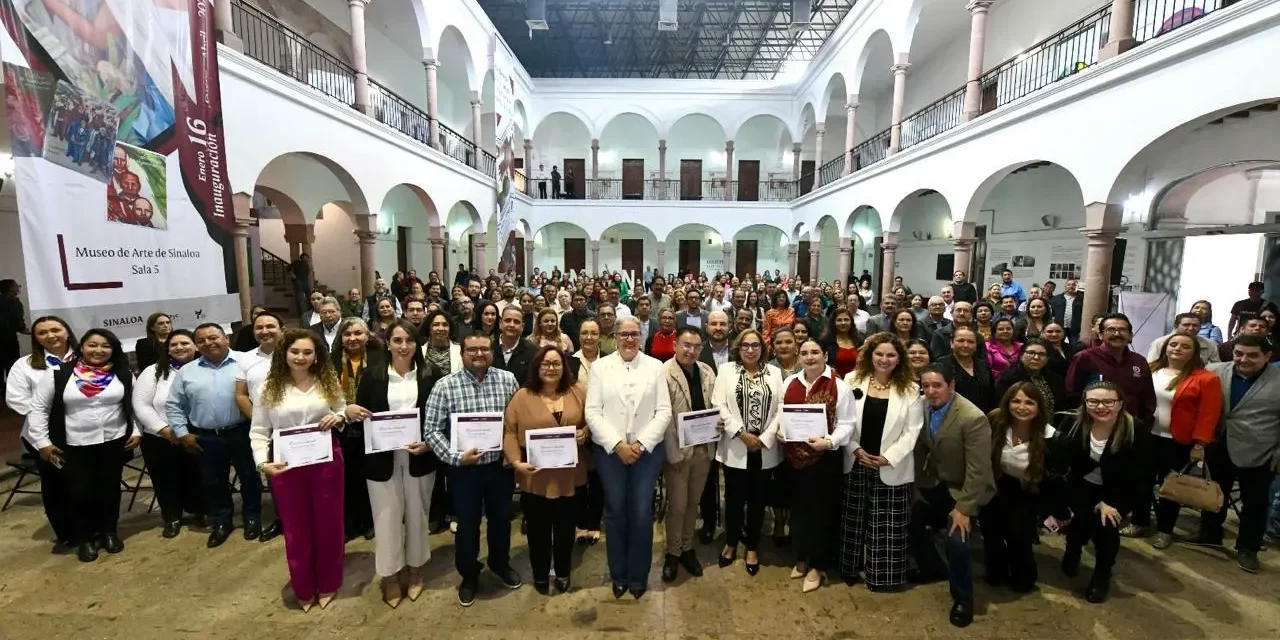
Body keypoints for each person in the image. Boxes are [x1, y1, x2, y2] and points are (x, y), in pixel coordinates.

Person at [423, 332, 523, 606]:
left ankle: (500, 564)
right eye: (472, 350)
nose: (479, 355)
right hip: (463, 471)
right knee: (467, 525)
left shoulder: (507, 380)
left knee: (501, 521)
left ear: (492, 352)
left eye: (484, 350)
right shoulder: (445, 386)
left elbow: (515, 424)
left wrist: (512, 455)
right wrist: (456, 457)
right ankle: (469, 574)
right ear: (463, 353)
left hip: (499, 468)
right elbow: (431, 430)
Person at [250, 329, 347, 611]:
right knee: (296, 529)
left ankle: (328, 583)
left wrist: (337, 416)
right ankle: (304, 586)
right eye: (295, 351)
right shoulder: (269, 388)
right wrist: (261, 462)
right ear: (285, 354)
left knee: (329, 525)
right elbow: (258, 430)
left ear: (317, 355)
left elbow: (341, 409)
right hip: (287, 465)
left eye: (307, 352)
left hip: (326, 461)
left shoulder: (327, 382)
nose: (301, 357)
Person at [347, 320, 443, 606]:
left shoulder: (430, 374)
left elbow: (439, 416)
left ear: (417, 344)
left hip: (419, 457)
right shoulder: (373, 375)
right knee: (386, 518)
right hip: (381, 459)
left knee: (417, 515)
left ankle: (415, 571)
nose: (403, 346)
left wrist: (429, 442)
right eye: (397, 340)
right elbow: (358, 413)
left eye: (409, 340)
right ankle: (389, 575)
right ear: (387, 343)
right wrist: (349, 410)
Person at [27, 328, 141, 562]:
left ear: (113, 350)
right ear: (81, 347)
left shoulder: (124, 374)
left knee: (110, 489)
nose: (98, 350)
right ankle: (85, 538)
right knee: (79, 493)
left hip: (113, 440)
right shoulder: (58, 374)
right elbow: (38, 409)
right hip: (74, 443)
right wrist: (42, 442)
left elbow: (134, 405)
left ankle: (109, 532)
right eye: (92, 345)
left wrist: (138, 432)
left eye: (105, 346)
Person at [585, 317, 672, 600]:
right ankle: (618, 574)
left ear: (641, 336)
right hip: (611, 453)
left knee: (640, 513)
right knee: (615, 512)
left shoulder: (655, 367)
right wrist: (618, 444)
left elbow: (663, 412)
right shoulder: (600, 368)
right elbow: (593, 413)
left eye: (634, 334)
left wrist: (641, 444)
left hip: (646, 453)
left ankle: (637, 575)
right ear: (615, 336)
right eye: (624, 334)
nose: (629, 340)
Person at [910, 364, 995, 627]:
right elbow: (921, 448)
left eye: (937, 386)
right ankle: (932, 568)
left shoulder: (973, 417)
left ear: (952, 385)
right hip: (935, 481)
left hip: (965, 487)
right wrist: (915, 487)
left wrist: (964, 509)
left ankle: (963, 599)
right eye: (926, 386)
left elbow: (978, 470)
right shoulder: (921, 406)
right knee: (908, 519)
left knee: (956, 539)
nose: (931, 391)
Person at [838, 333, 924, 592]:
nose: (884, 360)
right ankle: (849, 568)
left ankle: (882, 576)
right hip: (857, 461)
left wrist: (889, 457)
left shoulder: (910, 388)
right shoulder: (851, 380)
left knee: (888, 525)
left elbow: (913, 431)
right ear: (870, 355)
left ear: (899, 359)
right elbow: (843, 423)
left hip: (891, 466)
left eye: (890, 355)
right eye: (879, 354)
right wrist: (854, 448)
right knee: (853, 519)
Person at [1048, 381, 1144, 603]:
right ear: (1085, 403)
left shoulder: (1134, 428)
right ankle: (1073, 550)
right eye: (1093, 401)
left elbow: (1138, 475)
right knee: (1079, 520)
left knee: (1106, 529)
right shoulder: (1071, 422)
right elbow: (1061, 465)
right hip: (1077, 486)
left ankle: (1102, 574)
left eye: (1108, 401)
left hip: (1115, 492)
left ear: (1120, 404)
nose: (1101, 406)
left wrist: (1108, 501)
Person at [1191, 334, 1280, 573]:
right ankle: (1209, 533)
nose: (1243, 359)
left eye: (1252, 355)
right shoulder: (1214, 370)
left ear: (1267, 356)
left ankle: (1248, 548)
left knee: (1256, 502)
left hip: (1261, 451)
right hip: (1218, 444)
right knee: (1214, 492)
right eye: (1239, 353)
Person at [167, 324, 261, 547]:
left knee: (249, 477)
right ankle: (221, 522)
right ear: (197, 346)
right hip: (206, 436)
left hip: (241, 431)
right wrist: (182, 433)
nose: (208, 343)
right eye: (201, 341)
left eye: (213, 337)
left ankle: (252, 517)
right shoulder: (187, 371)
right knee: (213, 481)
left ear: (226, 338)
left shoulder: (246, 361)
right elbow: (173, 405)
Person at [1122, 333, 1220, 547]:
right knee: (1141, 482)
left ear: (1194, 352)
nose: (1177, 348)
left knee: (1171, 488)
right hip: (1147, 436)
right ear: (1165, 347)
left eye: (1185, 346)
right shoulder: (1150, 368)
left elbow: (1208, 414)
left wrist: (1199, 444)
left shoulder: (1206, 378)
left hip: (1178, 441)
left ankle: (1165, 530)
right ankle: (1140, 522)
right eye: (1173, 344)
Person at [504, 343, 588, 595]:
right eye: (546, 364)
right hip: (535, 477)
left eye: (556, 364)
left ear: (564, 367)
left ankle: (563, 571)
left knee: (565, 530)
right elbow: (509, 432)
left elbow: (592, 420)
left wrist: (585, 432)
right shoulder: (522, 396)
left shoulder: (578, 391)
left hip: (570, 476)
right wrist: (516, 462)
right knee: (538, 532)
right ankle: (540, 574)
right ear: (536, 367)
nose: (551, 368)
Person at [779, 339, 855, 593]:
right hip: (795, 459)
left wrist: (830, 441)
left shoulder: (840, 386)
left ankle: (818, 566)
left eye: (815, 352)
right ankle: (801, 557)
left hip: (825, 458)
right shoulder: (791, 382)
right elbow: (782, 414)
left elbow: (847, 424)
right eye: (805, 353)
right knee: (799, 510)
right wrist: (781, 432)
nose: (810, 357)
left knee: (823, 513)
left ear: (824, 355)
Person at [712, 329, 783, 577]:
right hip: (736, 445)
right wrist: (741, 433)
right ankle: (731, 543)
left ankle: (752, 546)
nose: (750, 350)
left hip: (764, 447)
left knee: (757, 501)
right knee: (733, 499)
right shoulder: (726, 371)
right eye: (745, 346)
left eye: (755, 346)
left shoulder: (774, 373)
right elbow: (718, 404)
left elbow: (781, 409)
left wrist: (764, 438)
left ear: (763, 348)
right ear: (738, 349)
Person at [6, 316, 77, 551]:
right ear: (35, 338)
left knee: (87, 481)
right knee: (56, 485)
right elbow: (16, 399)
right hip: (44, 435)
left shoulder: (86, 357)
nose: (50, 335)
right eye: (43, 332)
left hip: (85, 431)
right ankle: (67, 533)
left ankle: (93, 526)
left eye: (56, 329)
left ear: (67, 332)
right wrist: (52, 415)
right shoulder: (25, 365)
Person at [980, 382, 1057, 593]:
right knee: (991, 532)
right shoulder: (995, 420)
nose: (1021, 407)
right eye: (1016, 401)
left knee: (1019, 536)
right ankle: (996, 574)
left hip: (1027, 490)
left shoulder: (1051, 437)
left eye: (1029, 402)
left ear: (1039, 407)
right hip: (996, 483)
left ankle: (1023, 578)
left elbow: (1055, 478)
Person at [132, 330, 207, 538]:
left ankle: (200, 511)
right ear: (167, 348)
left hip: (196, 435)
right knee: (166, 479)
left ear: (196, 346)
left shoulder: (205, 368)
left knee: (197, 476)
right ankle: (172, 517)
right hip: (161, 437)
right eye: (174, 344)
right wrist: (163, 430)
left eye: (185, 343)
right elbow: (141, 404)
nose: (179, 347)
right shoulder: (153, 371)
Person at [660, 328, 718, 583]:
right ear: (675, 345)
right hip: (678, 451)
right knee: (678, 505)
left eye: (696, 346)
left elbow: (715, 405)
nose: (691, 351)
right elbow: (664, 418)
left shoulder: (706, 371)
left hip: (703, 448)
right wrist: (673, 454)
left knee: (693, 503)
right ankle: (672, 552)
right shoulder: (663, 373)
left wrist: (719, 423)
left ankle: (686, 548)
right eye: (686, 345)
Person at [1067, 313, 1156, 429]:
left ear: (1130, 336)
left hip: (1131, 427)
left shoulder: (1139, 361)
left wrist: (1143, 424)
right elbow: (1072, 393)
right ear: (1100, 335)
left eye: (1122, 330)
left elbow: (1148, 397)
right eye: (1111, 330)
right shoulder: (1085, 358)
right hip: (1092, 425)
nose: (1117, 334)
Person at [332, 318, 378, 542]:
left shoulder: (380, 359)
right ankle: (349, 524)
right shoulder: (330, 363)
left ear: (367, 336)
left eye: (358, 333)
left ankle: (369, 521)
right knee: (346, 479)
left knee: (368, 476)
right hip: (341, 428)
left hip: (372, 426)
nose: (352, 338)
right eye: (347, 334)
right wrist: (343, 411)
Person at [994, 339, 1067, 415]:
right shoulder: (1007, 379)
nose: (1036, 357)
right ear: (1021, 356)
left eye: (1042, 354)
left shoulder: (1056, 379)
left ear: (1047, 359)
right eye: (1031, 353)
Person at [937, 326, 997, 413]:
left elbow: (992, 393)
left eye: (971, 342)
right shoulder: (942, 365)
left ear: (976, 345)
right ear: (952, 343)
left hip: (983, 418)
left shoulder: (983, 364)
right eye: (961, 341)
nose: (966, 345)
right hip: (953, 418)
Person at [1145, 312, 1220, 364]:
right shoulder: (1160, 343)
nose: (1191, 328)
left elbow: (1216, 367)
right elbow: (1151, 365)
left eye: (1195, 325)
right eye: (1186, 325)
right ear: (1176, 326)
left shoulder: (1209, 344)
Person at [493, 307, 536, 386]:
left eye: (516, 322)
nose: (511, 325)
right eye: (507, 320)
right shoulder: (488, 348)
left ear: (522, 327)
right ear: (500, 323)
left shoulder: (533, 351)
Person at [821, 307, 860, 379]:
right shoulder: (826, 341)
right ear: (834, 322)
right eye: (839, 320)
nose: (843, 323)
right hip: (834, 382)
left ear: (851, 322)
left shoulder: (859, 340)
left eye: (846, 320)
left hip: (856, 382)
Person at [1049, 279, 1083, 343]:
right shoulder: (1056, 299)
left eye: (1073, 285)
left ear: (1077, 287)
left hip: (1074, 328)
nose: (1071, 286)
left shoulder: (1081, 299)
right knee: (1058, 344)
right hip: (1060, 327)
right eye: (1069, 285)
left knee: (1074, 346)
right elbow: (1052, 313)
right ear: (1065, 286)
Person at [290, 254, 313, 319]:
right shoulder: (297, 262)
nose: (306, 258)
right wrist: (293, 275)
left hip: (305, 282)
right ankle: (301, 315)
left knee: (310, 297)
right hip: (299, 282)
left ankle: (310, 313)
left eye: (307, 257)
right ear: (302, 257)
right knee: (299, 298)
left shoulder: (306, 264)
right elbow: (288, 268)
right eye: (305, 257)